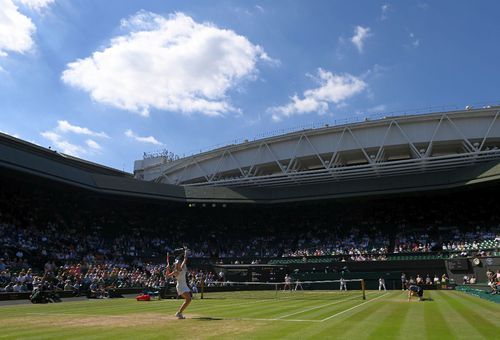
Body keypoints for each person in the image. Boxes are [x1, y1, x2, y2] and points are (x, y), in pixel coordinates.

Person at [167, 248, 191, 319]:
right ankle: (179, 313)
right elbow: (167, 276)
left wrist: (186, 252)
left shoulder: (182, 267)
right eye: (178, 263)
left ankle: (179, 313)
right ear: (176, 265)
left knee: (188, 299)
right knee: (188, 299)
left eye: (179, 263)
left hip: (184, 285)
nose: (179, 263)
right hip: (180, 286)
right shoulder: (176, 272)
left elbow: (185, 259)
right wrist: (167, 269)